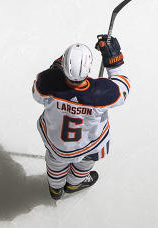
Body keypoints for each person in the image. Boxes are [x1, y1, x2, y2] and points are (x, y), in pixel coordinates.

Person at [32, 35, 130, 200]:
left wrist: (55, 68)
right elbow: (123, 87)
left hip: (57, 144)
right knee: (84, 166)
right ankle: (74, 184)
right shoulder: (102, 92)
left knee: (55, 166)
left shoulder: (47, 82)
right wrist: (114, 60)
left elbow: (37, 95)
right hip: (90, 145)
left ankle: (56, 189)